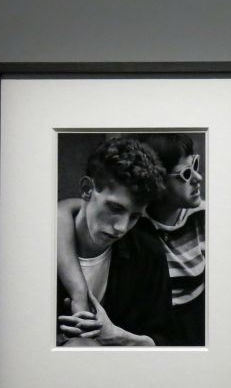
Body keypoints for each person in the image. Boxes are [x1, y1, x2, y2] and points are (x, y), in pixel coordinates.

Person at [58, 134, 207, 345]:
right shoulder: (42, 243)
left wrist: (120, 338)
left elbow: (166, 339)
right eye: (115, 208)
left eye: (134, 216)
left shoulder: (149, 254)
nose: (121, 227)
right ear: (87, 189)